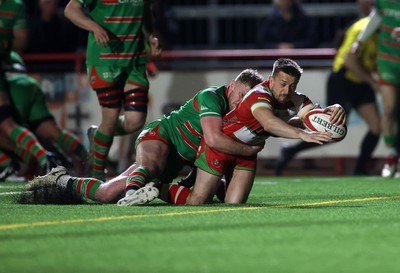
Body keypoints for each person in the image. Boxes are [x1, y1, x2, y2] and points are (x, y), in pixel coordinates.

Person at [26, 69, 265, 205]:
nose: (240, 101)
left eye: (247, 98)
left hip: (176, 161)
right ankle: (131, 198)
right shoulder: (212, 97)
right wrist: (250, 151)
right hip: (161, 135)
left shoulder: (237, 113)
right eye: (240, 93)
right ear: (232, 85)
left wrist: (191, 182)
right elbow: (212, 140)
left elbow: (204, 153)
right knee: (149, 166)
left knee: (106, 193)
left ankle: (59, 179)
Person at [158, 59, 345, 205]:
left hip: (247, 153)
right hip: (222, 147)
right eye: (282, 84)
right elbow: (269, 123)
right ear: (271, 80)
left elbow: (311, 118)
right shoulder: (258, 94)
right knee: (196, 202)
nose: (287, 90)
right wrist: (302, 135)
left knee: (234, 205)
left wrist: (334, 110)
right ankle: (158, 188)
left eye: (292, 86)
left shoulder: (297, 99)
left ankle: (215, 187)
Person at [64, 0, 162, 180]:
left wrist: (149, 36)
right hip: (104, 60)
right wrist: (93, 26)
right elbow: (71, 9)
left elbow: (145, 11)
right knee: (110, 117)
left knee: (135, 121)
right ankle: (97, 175)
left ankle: (98, 134)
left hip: (135, 61)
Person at [275, 11, 381, 176]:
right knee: (331, 130)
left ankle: (360, 169)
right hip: (343, 80)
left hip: (361, 81)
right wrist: (373, 82)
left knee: (376, 126)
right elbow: (349, 61)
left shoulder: (384, 32)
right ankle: (290, 151)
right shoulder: (364, 28)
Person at [0, 51, 88, 180]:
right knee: (51, 131)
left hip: (7, 87)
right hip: (28, 84)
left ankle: (14, 165)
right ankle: (92, 160)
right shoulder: (11, 52)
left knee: (8, 127)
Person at [353, 1, 400, 177]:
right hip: (387, 60)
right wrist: (360, 41)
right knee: (389, 108)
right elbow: (376, 18)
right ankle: (391, 156)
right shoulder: (383, 2)